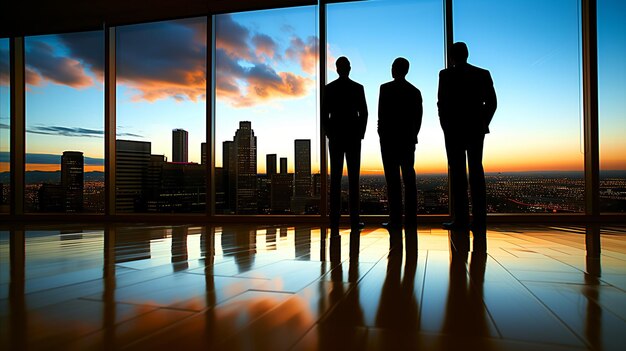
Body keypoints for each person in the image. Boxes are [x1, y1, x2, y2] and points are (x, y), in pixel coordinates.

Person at [437, 42, 497, 235]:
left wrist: (446, 126)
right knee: (476, 172)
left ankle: (461, 220)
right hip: (474, 130)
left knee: (457, 174)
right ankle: (479, 221)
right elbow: (492, 103)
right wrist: (481, 123)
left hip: (454, 131)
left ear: (452, 57)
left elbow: (442, 104)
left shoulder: (445, 75)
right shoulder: (482, 74)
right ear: (467, 54)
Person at [322, 56, 368, 232]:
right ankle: (354, 221)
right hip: (353, 138)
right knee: (353, 179)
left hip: (336, 138)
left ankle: (334, 221)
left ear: (337, 69)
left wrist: (330, 134)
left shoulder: (329, 89)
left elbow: (325, 115)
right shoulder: (357, 88)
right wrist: (360, 135)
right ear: (349, 69)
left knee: (335, 179)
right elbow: (363, 113)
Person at [378, 57, 423, 235]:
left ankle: (395, 220)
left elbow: (381, 116)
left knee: (393, 181)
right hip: (407, 140)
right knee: (409, 179)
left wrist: (382, 135)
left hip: (389, 141)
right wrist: (413, 136)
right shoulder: (414, 91)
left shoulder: (385, 89)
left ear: (395, 69)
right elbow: (418, 118)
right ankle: (411, 220)